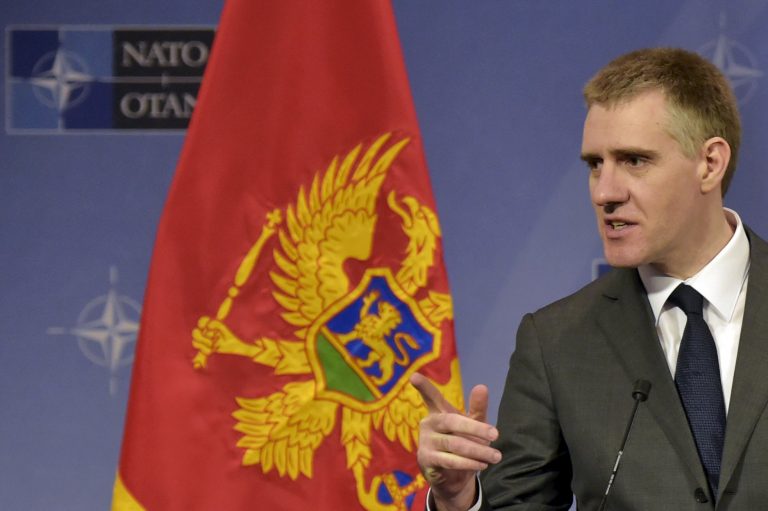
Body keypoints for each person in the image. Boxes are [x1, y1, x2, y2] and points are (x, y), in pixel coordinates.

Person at [412, 47, 768, 510]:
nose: (605, 192)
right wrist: (459, 499)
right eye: (595, 164)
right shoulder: (556, 342)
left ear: (710, 164)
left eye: (634, 160)